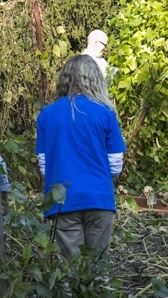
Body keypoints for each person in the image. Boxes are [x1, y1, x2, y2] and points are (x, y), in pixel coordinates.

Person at [35, 54, 126, 261]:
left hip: (63, 200)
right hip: (99, 198)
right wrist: (97, 177)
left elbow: (44, 164)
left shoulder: (47, 114)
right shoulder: (105, 112)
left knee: (71, 267)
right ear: (95, 79)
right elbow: (115, 164)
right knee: (97, 265)